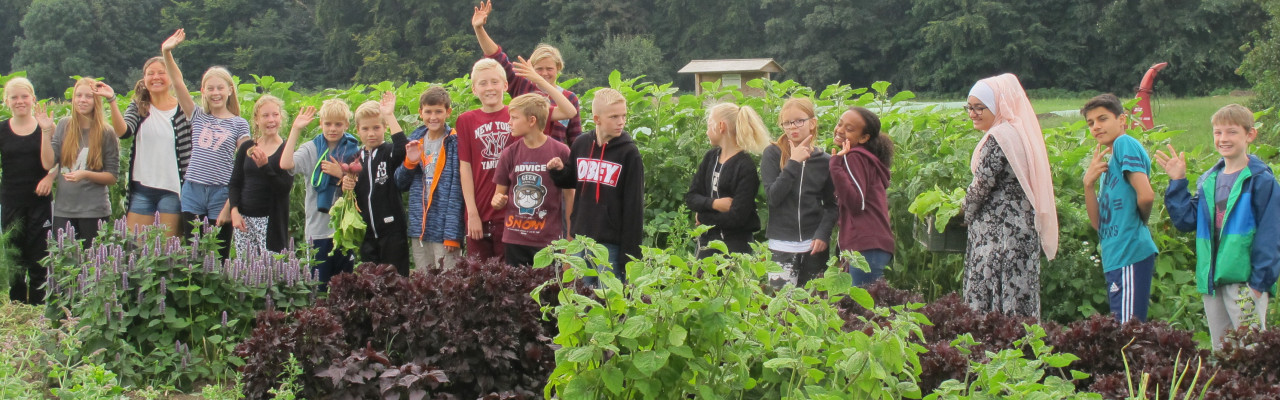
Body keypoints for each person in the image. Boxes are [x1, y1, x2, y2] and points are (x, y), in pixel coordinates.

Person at [1156, 104, 1280, 349]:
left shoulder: (1261, 180)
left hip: (1244, 282)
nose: (1223, 139)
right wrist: (1178, 182)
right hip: (1212, 282)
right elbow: (1186, 221)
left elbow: (1271, 234)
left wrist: (1259, 284)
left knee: (1252, 350)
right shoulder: (1209, 180)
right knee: (1222, 351)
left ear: (1250, 135)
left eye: (1232, 132)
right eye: (1218, 132)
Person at [457, 57, 578, 263]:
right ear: (473, 89)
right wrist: (472, 213)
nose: (490, 88)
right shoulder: (466, 120)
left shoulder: (520, 113)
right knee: (479, 278)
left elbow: (569, 111)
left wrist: (538, 80)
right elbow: (465, 169)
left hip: (516, 216)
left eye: (495, 82)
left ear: (505, 85)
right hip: (481, 210)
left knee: (513, 278)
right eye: (483, 83)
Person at [962, 73, 1059, 319]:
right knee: (1017, 303)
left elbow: (980, 187)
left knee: (994, 302)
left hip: (999, 237)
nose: (972, 113)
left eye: (979, 107)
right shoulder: (1018, 133)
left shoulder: (999, 138)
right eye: (969, 108)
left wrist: (963, 211)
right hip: (1019, 232)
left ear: (997, 105)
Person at [162, 29, 250, 257]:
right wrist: (167, 52)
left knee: (217, 254)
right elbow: (178, 83)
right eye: (210, 88)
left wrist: (230, 204)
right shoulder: (198, 116)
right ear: (203, 91)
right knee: (194, 253)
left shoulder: (240, 124)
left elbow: (244, 165)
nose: (216, 93)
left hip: (221, 193)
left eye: (220, 88)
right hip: (193, 189)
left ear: (230, 90)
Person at [547, 88, 645, 285]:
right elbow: (572, 180)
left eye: (624, 115)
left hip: (611, 244)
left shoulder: (629, 153)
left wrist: (631, 254)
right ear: (597, 119)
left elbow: (634, 207)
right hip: (581, 237)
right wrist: (558, 171)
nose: (621, 122)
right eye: (614, 116)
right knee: (583, 298)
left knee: (609, 301)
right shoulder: (582, 144)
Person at [105, 36, 193, 238]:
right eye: (150, 73)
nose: (156, 77)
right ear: (144, 79)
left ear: (170, 78)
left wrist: (167, 53)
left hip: (173, 190)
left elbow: (179, 82)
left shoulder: (183, 109)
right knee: (136, 250)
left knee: (168, 252)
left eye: (162, 73)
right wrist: (111, 101)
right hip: (141, 190)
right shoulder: (139, 107)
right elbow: (124, 132)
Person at [1079, 93, 1156, 323]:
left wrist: (1139, 222)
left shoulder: (1124, 144)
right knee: (1123, 332)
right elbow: (1098, 223)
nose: (1096, 127)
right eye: (1091, 123)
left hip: (1130, 251)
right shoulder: (1109, 162)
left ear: (1122, 120)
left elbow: (1146, 195)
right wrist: (1088, 184)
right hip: (1115, 256)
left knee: (1128, 335)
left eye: (1103, 119)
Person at [471, 0, 582, 145]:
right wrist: (479, 29)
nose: (544, 73)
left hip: (556, 161)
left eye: (549, 69)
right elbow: (497, 56)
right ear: (530, 68)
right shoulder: (522, 86)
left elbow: (576, 139)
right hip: (522, 159)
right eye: (539, 69)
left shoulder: (569, 98)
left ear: (558, 69)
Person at [280, 99, 359, 287]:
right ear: (320, 123)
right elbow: (285, 164)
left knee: (344, 288)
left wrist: (340, 174)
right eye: (328, 124)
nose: (332, 129)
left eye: (338, 124)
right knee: (318, 287)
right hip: (317, 230)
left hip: (344, 231)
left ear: (346, 125)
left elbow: (360, 186)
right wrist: (296, 130)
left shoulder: (354, 149)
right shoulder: (311, 149)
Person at [491, 93, 574, 267]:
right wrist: (498, 201)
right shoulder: (510, 153)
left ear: (531, 120)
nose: (509, 122)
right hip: (514, 239)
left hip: (548, 242)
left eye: (514, 118)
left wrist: (570, 238)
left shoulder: (561, 151)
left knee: (548, 291)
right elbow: (497, 197)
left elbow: (570, 197)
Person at [761, 97, 836, 288]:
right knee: (781, 309)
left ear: (812, 123)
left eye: (799, 121)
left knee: (812, 307)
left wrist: (823, 234)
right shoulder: (772, 154)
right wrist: (793, 163)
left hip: (813, 248)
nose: (793, 127)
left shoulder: (824, 160)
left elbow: (832, 206)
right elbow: (773, 197)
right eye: (787, 122)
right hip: (781, 246)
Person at [684, 102, 770, 258]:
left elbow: (738, 217)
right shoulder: (710, 158)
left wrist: (703, 216)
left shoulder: (745, 166)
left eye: (709, 125)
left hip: (735, 248)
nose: (706, 131)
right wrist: (714, 204)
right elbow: (691, 197)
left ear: (721, 126)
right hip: (706, 244)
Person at [395, 86, 464, 270]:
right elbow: (400, 184)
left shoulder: (454, 142)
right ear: (420, 113)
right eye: (428, 112)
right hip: (419, 228)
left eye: (438, 111)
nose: (433, 117)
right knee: (423, 283)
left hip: (444, 229)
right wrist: (409, 163)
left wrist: (453, 233)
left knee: (448, 281)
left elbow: (457, 189)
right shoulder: (415, 140)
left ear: (448, 112)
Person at [341, 95, 410, 274]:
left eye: (376, 127)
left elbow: (403, 147)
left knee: (397, 280)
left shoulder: (388, 152)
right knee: (371, 283)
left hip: (392, 230)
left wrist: (389, 115)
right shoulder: (354, 160)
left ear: (384, 128)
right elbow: (350, 193)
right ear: (357, 130)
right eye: (365, 129)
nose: (371, 133)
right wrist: (346, 185)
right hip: (367, 233)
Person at [49, 78, 120, 247]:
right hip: (63, 209)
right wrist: (46, 131)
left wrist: (85, 174)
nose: (82, 100)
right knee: (64, 262)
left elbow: (112, 177)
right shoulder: (63, 125)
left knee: (93, 262)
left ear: (96, 100)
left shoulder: (106, 132)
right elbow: (50, 161)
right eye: (78, 95)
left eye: (88, 96)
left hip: (93, 210)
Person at [1, 77, 55, 304]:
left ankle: (38, 305)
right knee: (14, 255)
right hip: (11, 199)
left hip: (39, 201)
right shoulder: (2, 129)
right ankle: (16, 304)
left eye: (24, 96)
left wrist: (50, 177)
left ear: (33, 99)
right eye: (14, 97)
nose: (20, 101)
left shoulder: (46, 126)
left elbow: (55, 161)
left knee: (38, 255)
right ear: (6, 102)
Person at [829, 107, 894, 286]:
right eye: (840, 124)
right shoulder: (866, 158)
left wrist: (835, 165)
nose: (840, 130)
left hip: (865, 246)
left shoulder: (854, 157)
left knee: (861, 309)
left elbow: (857, 202)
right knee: (867, 308)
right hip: (873, 245)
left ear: (864, 138)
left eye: (849, 129)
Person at [227, 95, 293, 255]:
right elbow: (235, 182)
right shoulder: (247, 148)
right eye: (265, 115)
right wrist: (234, 211)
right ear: (256, 120)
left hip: (270, 221)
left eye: (275, 115)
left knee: (271, 273)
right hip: (244, 219)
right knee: (245, 271)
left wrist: (265, 167)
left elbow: (284, 189)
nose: (271, 120)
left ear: (281, 118)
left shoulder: (286, 150)